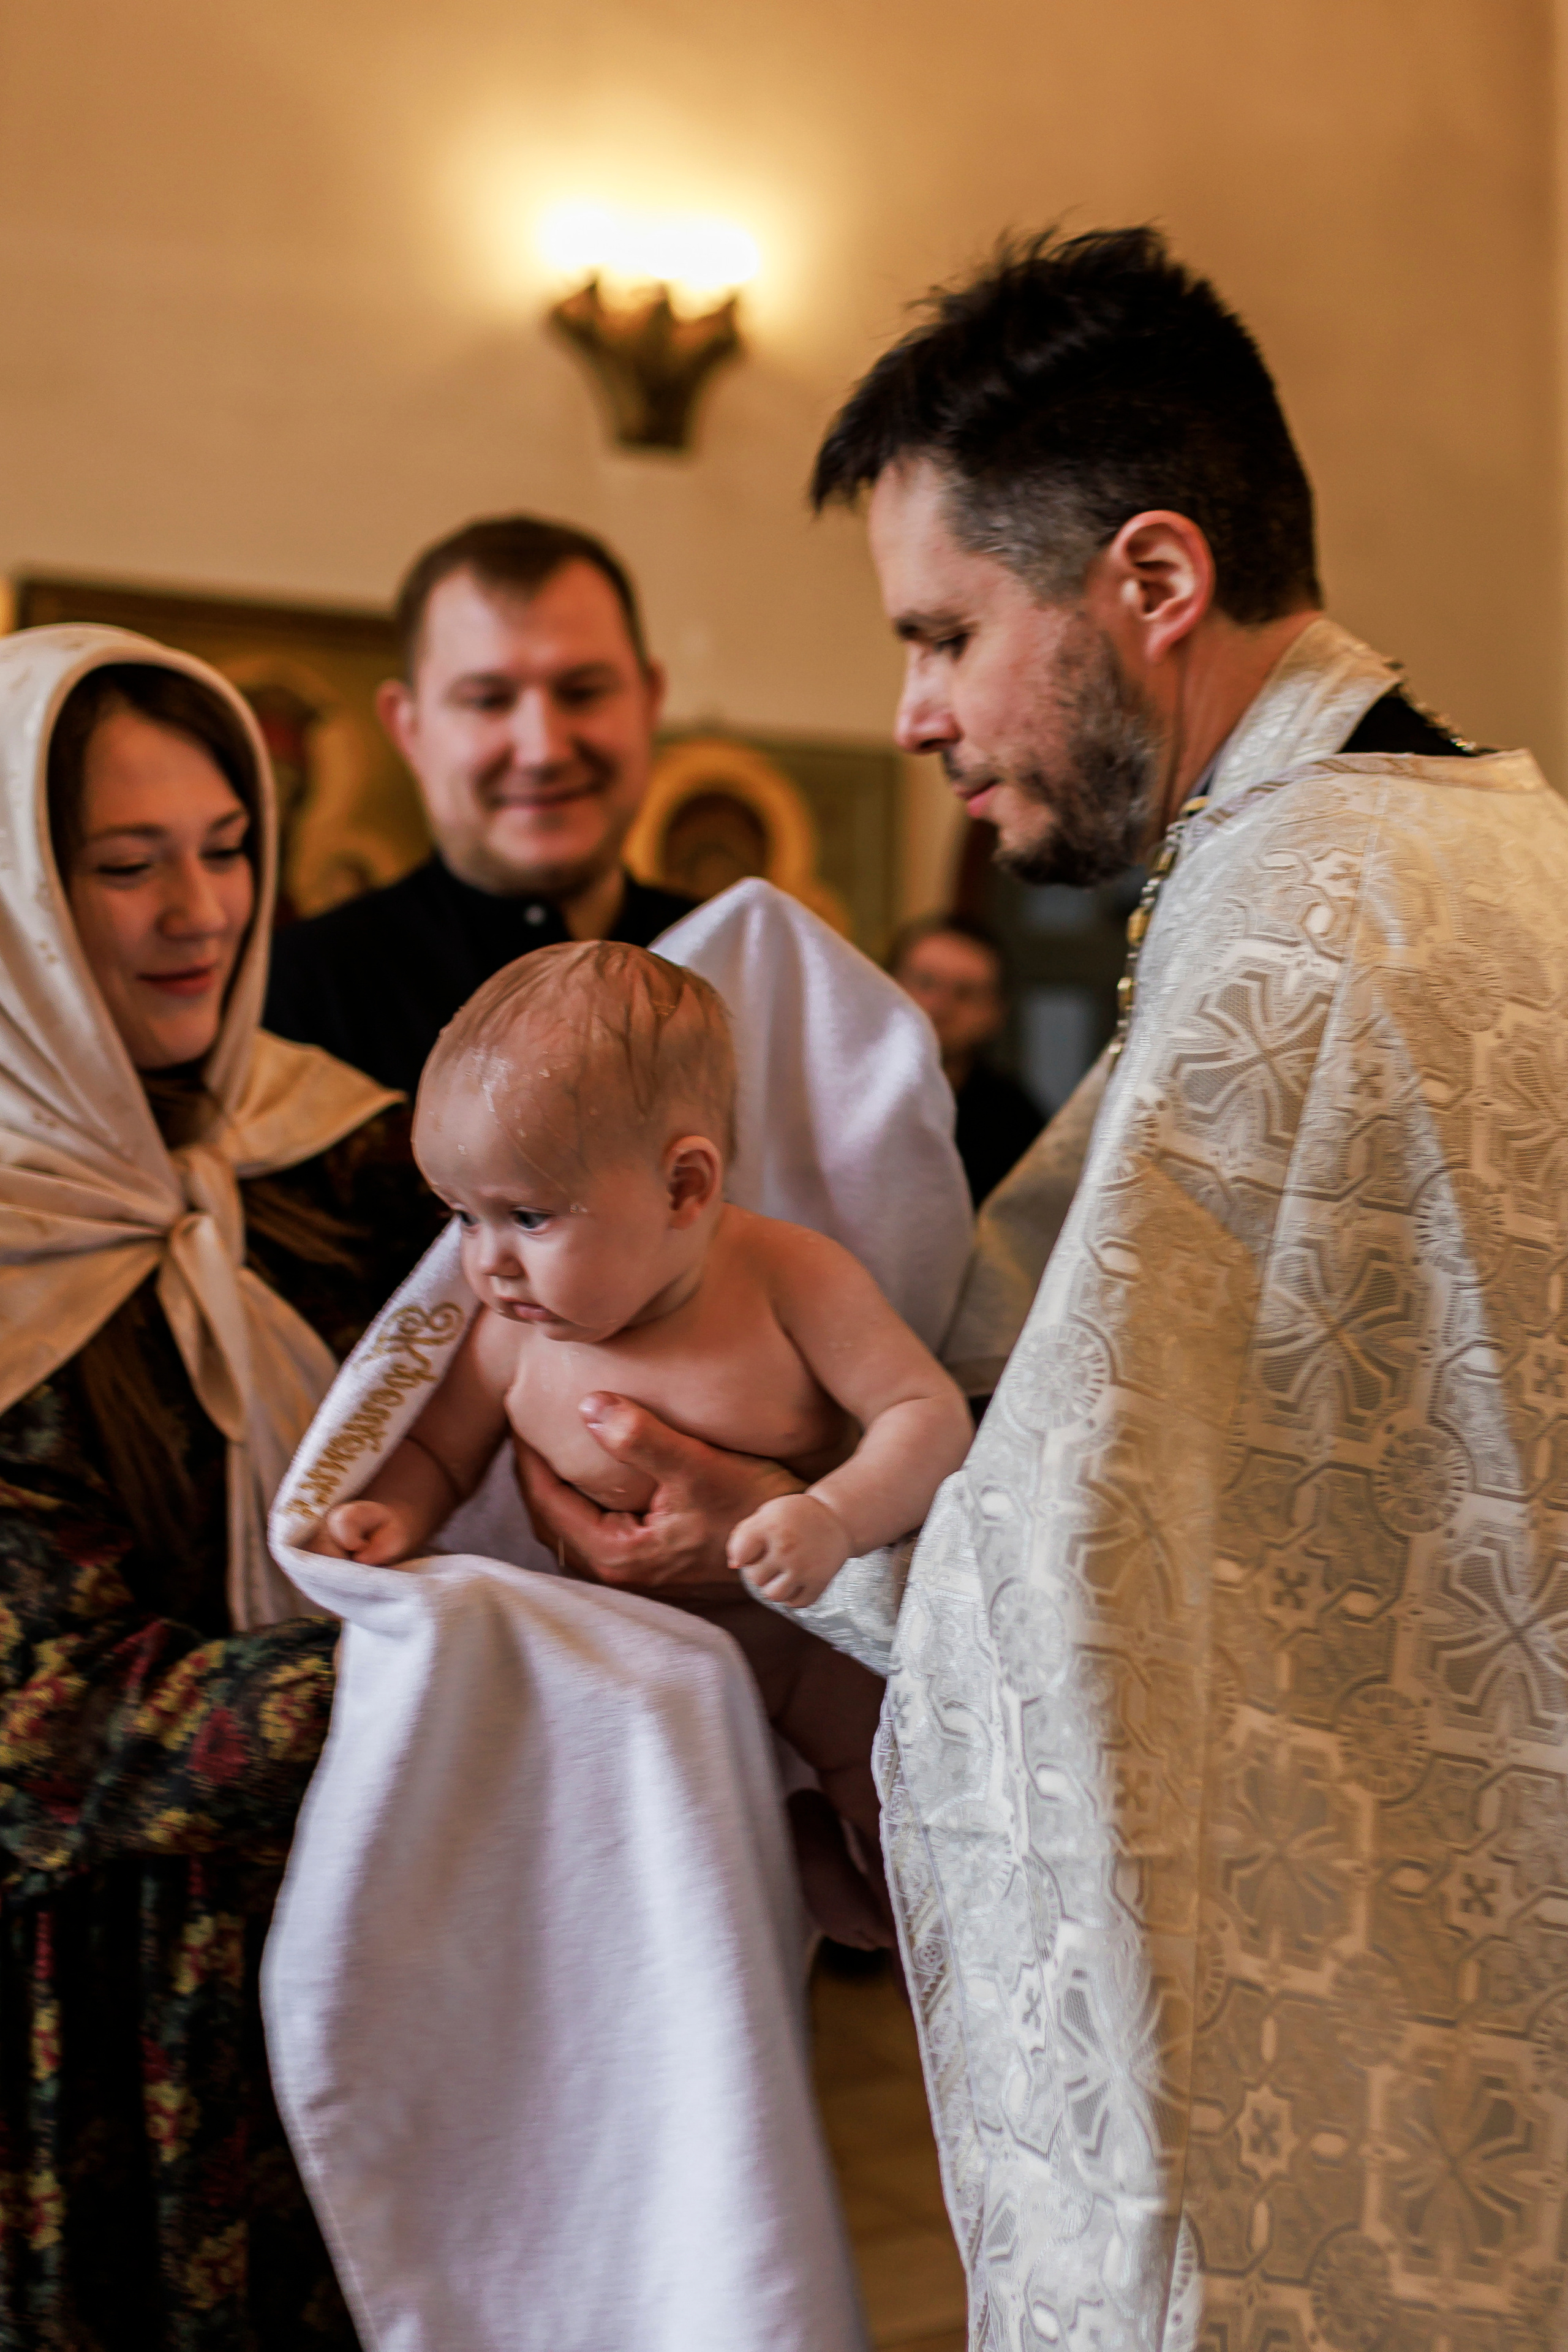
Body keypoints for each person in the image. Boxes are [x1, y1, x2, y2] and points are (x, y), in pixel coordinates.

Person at [518, 227, 1568, 2351]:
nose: (908, 713)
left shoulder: (1298, 940)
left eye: (945, 632)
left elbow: (1076, 1596)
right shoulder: (1483, 846)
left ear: (1154, 584)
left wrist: (773, 1556)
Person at [0, 627, 442, 2348]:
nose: (203, 912)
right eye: (125, 867)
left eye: (226, 846)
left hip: (362, 1934)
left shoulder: (330, 1149)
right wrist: (441, 1662)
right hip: (93, 2010)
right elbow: (39, 1728)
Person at [312, 939, 971, 1924]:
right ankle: (779, 1888)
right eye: (461, 1216)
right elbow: (439, 1451)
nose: (487, 1265)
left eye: (528, 1216)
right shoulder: (507, 1333)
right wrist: (392, 1514)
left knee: (897, 1816)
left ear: (683, 1189)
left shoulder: (789, 1280)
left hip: (799, 1639)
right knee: (653, 1871)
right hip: (623, 1663)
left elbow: (928, 1418)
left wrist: (831, 1518)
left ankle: (874, 1904)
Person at [263, 515, 696, 1097]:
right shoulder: (291, 1001)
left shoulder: (746, 972)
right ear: (407, 728)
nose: (543, 749)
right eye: (488, 700)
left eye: (583, 692)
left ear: (649, 701)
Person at [888, 911, 1046, 1204]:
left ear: (994, 1014)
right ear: (886, 984)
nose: (939, 1007)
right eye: (924, 983)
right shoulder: (833, 1088)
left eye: (965, 994)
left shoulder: (1016, 1124)